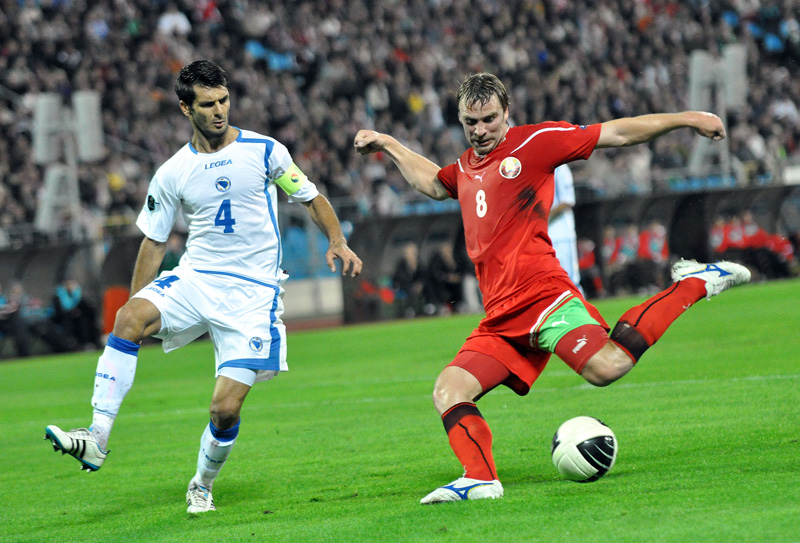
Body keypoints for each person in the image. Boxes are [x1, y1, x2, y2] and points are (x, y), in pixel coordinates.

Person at [354, 72, 750, 504]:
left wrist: (688, 118)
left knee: (606, 369)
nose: (480, 131)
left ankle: (692, 284)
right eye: (471, 122)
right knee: (449, 389)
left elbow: (614, 133)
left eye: (489, 119)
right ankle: (480, 479)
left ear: (507, 113)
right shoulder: (466, 166)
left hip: (544, 297)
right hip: (500, 318)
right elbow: (433, 182)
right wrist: (390, 144)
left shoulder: (536, 142)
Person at [44, 60, 362, 514]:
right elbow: (154, 243)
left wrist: (337, 240)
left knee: (224, 410)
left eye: (224, 101)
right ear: (184, 108)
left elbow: (310, 197)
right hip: (198, 277)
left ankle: (201, 483)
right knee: (129, 317)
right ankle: (96, 437)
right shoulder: (173, 171)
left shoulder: (265, 151)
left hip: (254, 294)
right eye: (208, 104)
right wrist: (139, 299)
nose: (219, 111)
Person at [549, 164, 582, 294]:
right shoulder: (537, 164)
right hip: (543, 235)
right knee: (553, 281)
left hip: (562, 234)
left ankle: (581, 313)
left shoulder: (560, 167)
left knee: (571, 280)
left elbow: (567, 200)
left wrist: (542, 216)